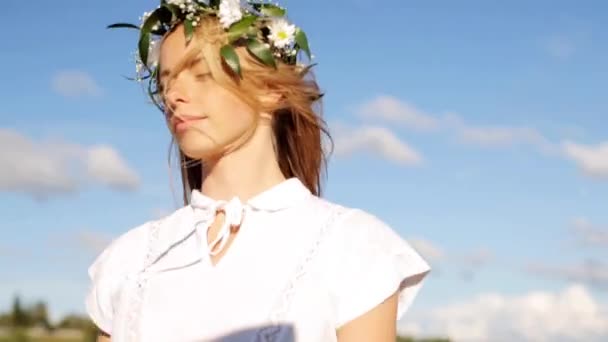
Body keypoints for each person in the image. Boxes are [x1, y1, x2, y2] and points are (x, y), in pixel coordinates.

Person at [86, 1, 431, 341]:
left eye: (202, 74)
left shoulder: (354, 246)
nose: (175, 95)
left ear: (272, 90)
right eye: (166, 82)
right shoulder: (129, 259)